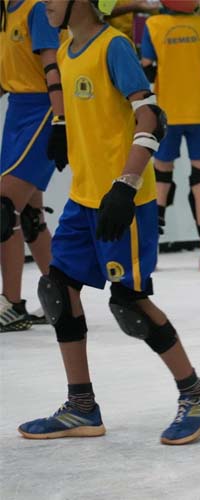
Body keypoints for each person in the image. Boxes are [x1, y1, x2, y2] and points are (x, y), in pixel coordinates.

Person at [18, 0, 200, 445]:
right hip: (83, 197)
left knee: (129, 302)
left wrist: (126, 186)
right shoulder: (69, 49)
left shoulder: (114, 47)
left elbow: (150, 117)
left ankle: (196, 395)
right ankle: (81, 406)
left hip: (122, 200)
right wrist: (59, 125)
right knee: (57, 289)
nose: (45, 4)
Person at [141, 0, 200, 272]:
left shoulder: (153, 25)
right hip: (199, 111)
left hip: (167, 112)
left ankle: (150, 252)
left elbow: (146, 67)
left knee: (162, 178)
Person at [0, 0, 63, 331]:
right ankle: (62, 297)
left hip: (41, 111)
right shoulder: (7, 9)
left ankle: (11, 304)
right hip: (17, 111)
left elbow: (52, 66)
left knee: (4, 207)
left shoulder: (37, 8)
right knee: (28, 214)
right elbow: (10, 72)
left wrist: (61, 122)